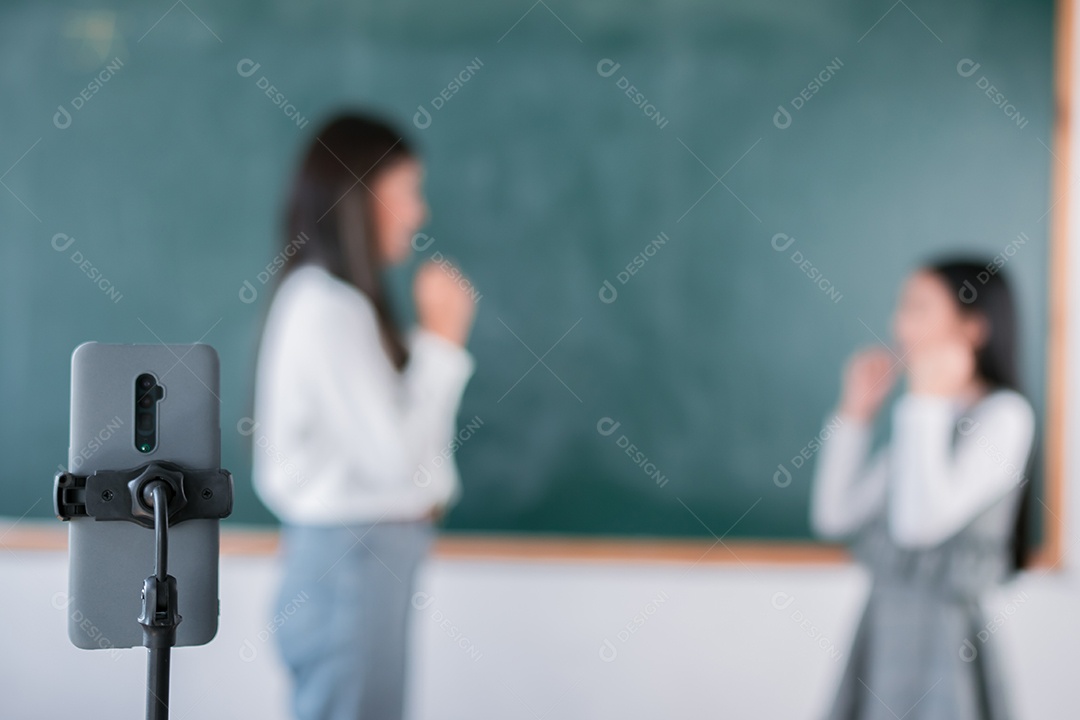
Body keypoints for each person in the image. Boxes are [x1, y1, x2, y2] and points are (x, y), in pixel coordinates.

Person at [252, 113, 477, 720]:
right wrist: (442, 345)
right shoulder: (327, 307)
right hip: (350, 564)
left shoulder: (340, 306)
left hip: (364, 561)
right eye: (406, 191)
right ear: (358, 195)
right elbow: (400, 458)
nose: (418, 213)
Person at [810, 259, 1035, 720]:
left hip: (942, 637)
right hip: (883, 624)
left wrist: (925, 402)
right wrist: (855, 414)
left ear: (973, 328)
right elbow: (834, 516)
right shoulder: (928, 417)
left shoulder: (1004, 416)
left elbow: (917, 527)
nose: (899, 325)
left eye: (918, 308)